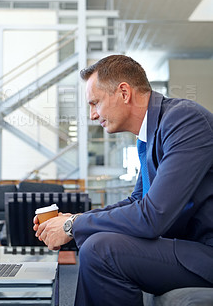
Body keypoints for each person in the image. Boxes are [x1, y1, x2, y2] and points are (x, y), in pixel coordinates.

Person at [33, 55, 213, 306]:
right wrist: (72, 220)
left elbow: (153, 216)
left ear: (124, 93)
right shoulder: (152, 132)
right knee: (96, 244)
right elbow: (136, 201)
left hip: (205, 253)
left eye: (95, 103)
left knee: (100, 249)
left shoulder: (184, 121)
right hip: (188, 247)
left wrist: (74, 225)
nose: (93, 115)